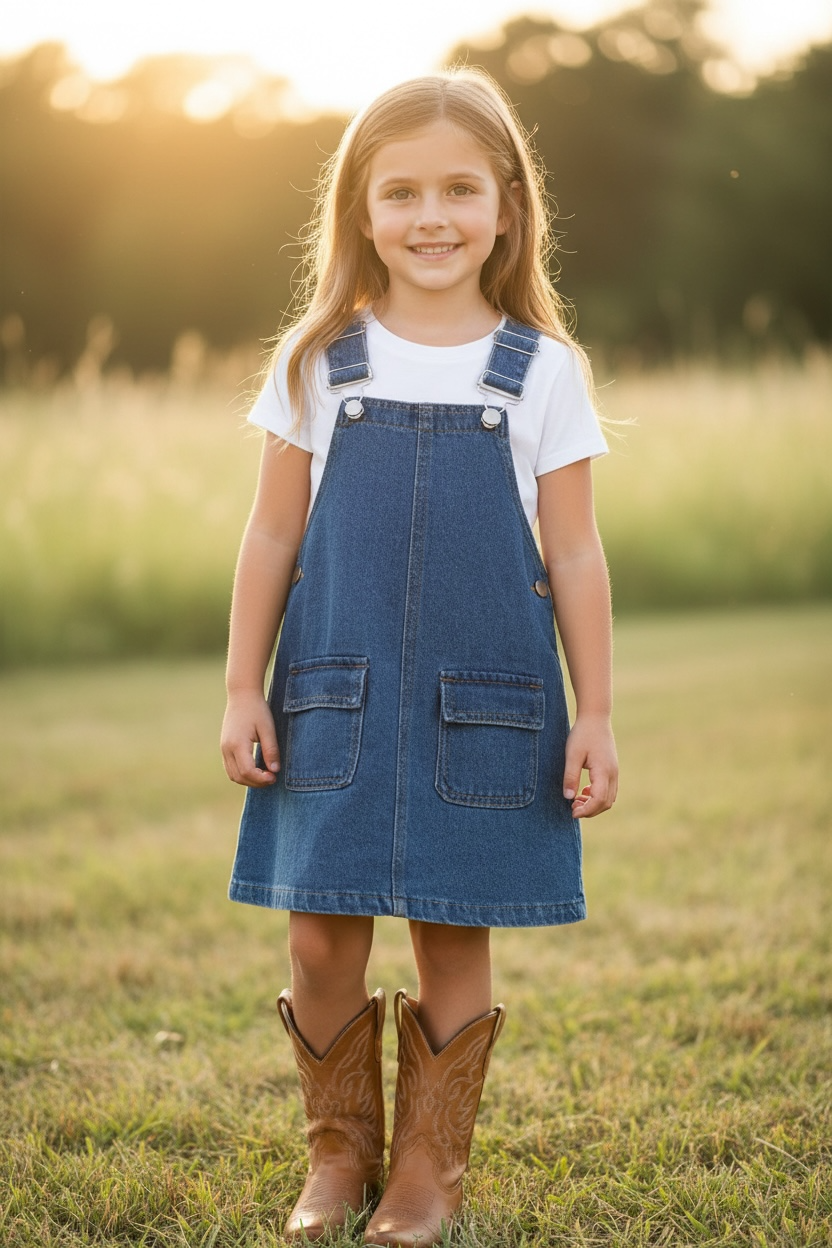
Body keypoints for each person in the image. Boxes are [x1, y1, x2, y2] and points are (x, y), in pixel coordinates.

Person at [221, 68, 618, 1247]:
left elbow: (576, 551)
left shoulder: (541, 370)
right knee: (317, 932)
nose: (430, 216)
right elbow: (272, 534)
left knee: (451, 925)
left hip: (481, 701)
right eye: (400, 192)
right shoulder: (318, 360)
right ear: (359, 207)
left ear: (506, 207)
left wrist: (596, 712)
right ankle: (339, 1156)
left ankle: (426, 1174)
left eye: (458, 190)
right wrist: (242, 685)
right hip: (331, 691)